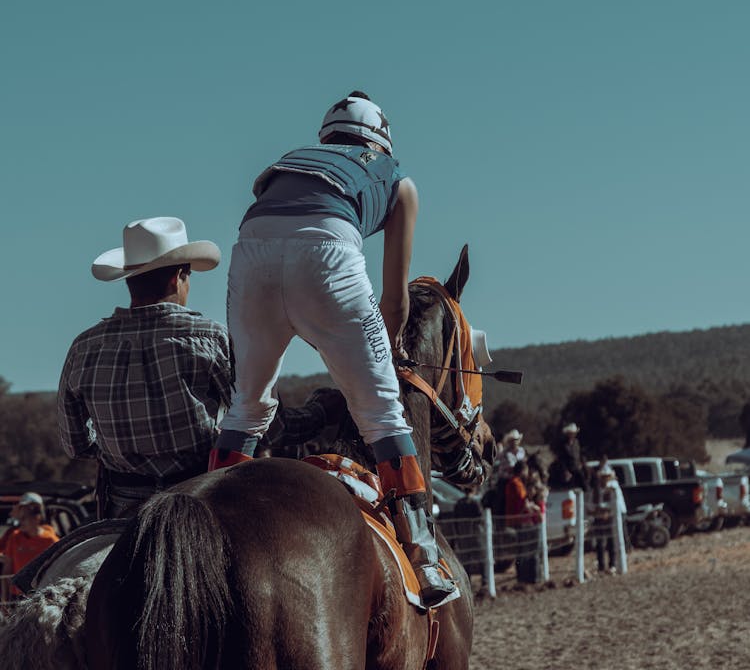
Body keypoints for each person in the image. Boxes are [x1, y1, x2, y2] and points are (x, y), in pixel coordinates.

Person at [210, 90, 457, 607]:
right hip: (327, 257)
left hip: (250, 252)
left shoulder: (289, 163)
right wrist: (381, 351)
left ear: (327, 136)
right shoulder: (397, 178)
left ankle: (210, 522)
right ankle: (424, 554)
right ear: (382, 139)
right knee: (383, 414)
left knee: (247, 405)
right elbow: (395, 298)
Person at [58, 216, 232, 518]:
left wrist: (118, 452)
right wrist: (318, 414)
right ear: (177, 277)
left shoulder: (84, 346)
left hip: (124, 505)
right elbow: (260, 418)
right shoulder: (211, 336)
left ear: (129, 280)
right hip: (201, 498)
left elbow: (75, 444)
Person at [0, 492, 59, 601]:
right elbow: (7, 571)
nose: (20, 522)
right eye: (20, 518)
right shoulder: (14, 537)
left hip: (43, 596)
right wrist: (4, 598)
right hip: (18, 597)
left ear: (37, 517)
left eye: (24, 518)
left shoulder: (50, 540)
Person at [548, 420, 589, 491]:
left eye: (573, 433)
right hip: (569, 468)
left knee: (587, 474)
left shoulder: (576, 442)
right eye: (570, 433)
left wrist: (583, 464)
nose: (572, 435)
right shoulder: (563, 445)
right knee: (580, 476)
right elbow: (561, 459)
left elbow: (580, 454)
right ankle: (586, 490)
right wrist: (566, 470)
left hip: (578, 466)